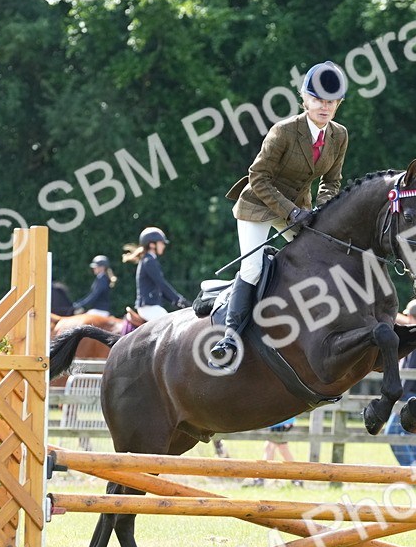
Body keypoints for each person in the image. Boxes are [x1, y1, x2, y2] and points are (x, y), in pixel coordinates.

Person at [210, 60, 350, 367]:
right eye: (318, 100)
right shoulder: (285, 131)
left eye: (331, 102)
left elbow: (332, 181)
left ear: (338, 104)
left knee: (321, 259)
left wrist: (322, 209)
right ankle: (229, 335)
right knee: (252, 268)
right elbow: (258, 177)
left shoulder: (339, 135)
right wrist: (291, 211)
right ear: (305, 99)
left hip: (300, 208)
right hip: (259, 205)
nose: (324, 107)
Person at [385, 301, 416, 467]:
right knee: (411, 437)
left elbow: (410, 371)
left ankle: (412, 472)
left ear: (410, 316)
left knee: (392, 433)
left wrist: (400, 396)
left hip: (409, 394)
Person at [123, 227, 188, 322]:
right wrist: (179, 300)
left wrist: (177, 301)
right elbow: (162, 284)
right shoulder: (149, 261)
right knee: (171, 323)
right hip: (148, 308)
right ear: (152, 245)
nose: (163, 246)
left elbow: (161, 288)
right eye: (161, 243)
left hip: (151, 307)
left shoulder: (149, 259)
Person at [244, 417, 302, 487]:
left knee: (270, 447)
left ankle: (260, 478)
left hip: (281, 422)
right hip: (280, 422)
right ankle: (296, 478)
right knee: (282, 448)